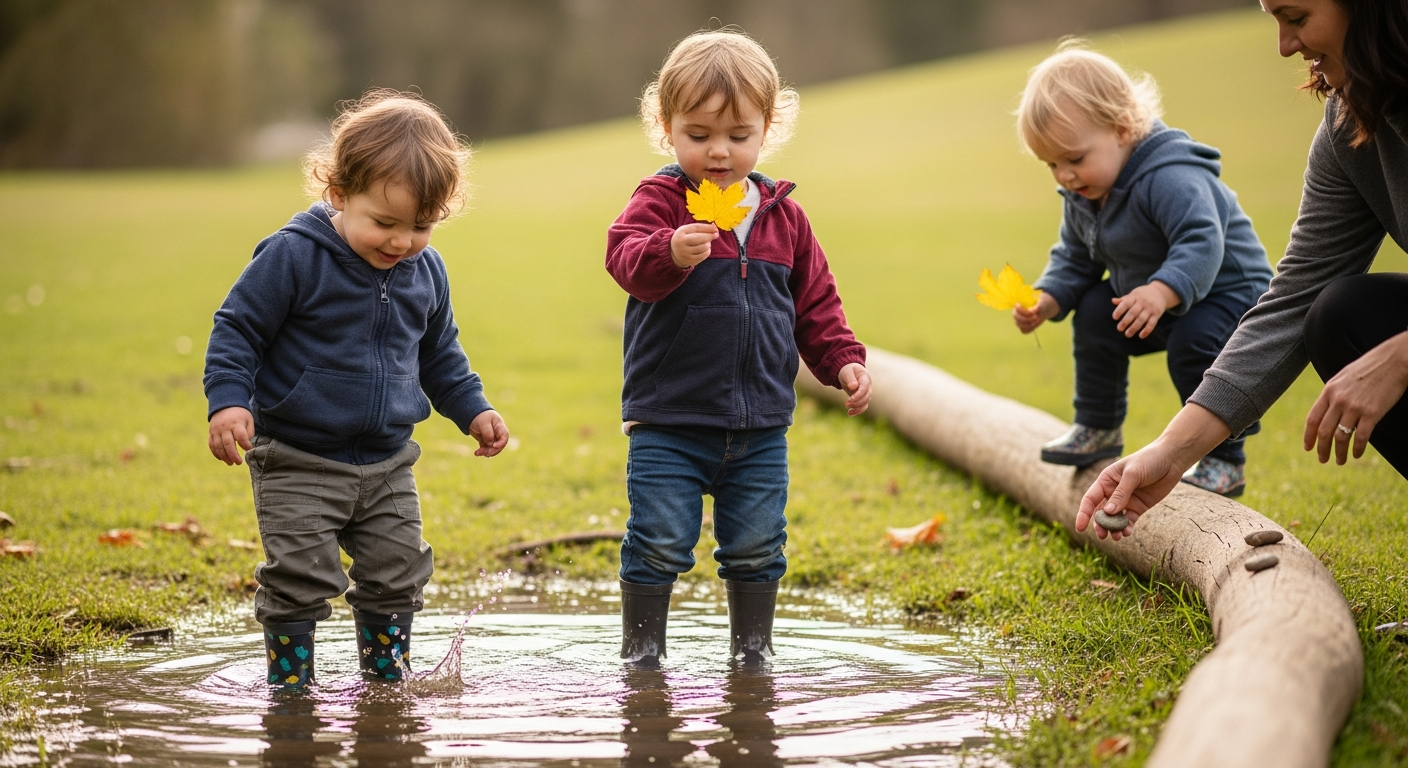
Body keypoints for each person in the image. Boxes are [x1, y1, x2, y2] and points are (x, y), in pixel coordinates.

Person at [203, 91, 510, 685]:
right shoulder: (293, 257)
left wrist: (474, 409)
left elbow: (439, 353)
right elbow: (237, 328)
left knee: (398, 572)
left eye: (421, 226)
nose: (401, 242)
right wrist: (229, 401)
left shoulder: (426, 272)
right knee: (300, 575)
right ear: (339, 194)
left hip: (388, 462)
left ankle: (385, 685)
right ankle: (292, 691)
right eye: (385, 223)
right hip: (297, 456)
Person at [1078, 0, 1408, 541]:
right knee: (1340, 315)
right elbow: (1296, 296)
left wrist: (1401, 354)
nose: (1284, 46)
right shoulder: (1351, 126)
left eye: (1297, 18)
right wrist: (1169, 453)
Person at [605, 29, 871, 666]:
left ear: (767, 127)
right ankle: (643, 654)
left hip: (760, 426)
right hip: (670, 418)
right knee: (660, 540)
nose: (718, 152)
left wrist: (842, 359)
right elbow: (624, 260)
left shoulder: (784, 216)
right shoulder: (662, 201)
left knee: (757, 544)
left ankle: (753, 654)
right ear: (667, 127)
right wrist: (668, 252)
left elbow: (816, 303)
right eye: (698, 136)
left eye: (737, 135)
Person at [1012, 43, 1274, 497]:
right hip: (1156, 300)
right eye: (1051, 164)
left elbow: (1202, 241)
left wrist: (1160, 290)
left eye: (1074, 158)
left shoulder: (1170, 175)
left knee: (1195, 344)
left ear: (1121, 129)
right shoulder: (1085, 195)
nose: (1065, 176)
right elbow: (1075, 257)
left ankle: (1224, 459)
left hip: (1229, 294)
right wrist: (1047, 298)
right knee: (1094, 310)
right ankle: (1098, 427)